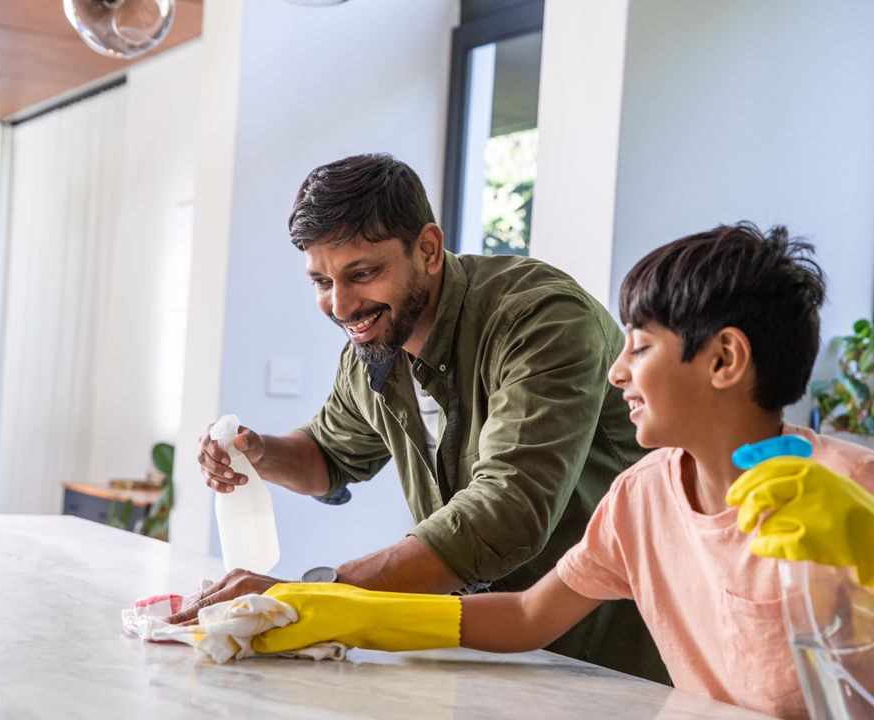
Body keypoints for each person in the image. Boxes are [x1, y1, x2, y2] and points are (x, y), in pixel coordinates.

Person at [244, 223, 874, 718]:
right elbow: (526, 617)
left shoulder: (854, 489)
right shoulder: (643, 495)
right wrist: (340, 607)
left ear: (724, 358)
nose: (616, 374)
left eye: (638, 346)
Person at [169, 153, 667, 682]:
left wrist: (315, 595)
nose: (340, 306)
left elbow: (509, 509)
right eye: (321, 282)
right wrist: (258, 453)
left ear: (428, 249)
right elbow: (329, 456)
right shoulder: (372, 348)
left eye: (362, 273)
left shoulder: (538, 318)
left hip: (605, 658)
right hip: (480, 652)